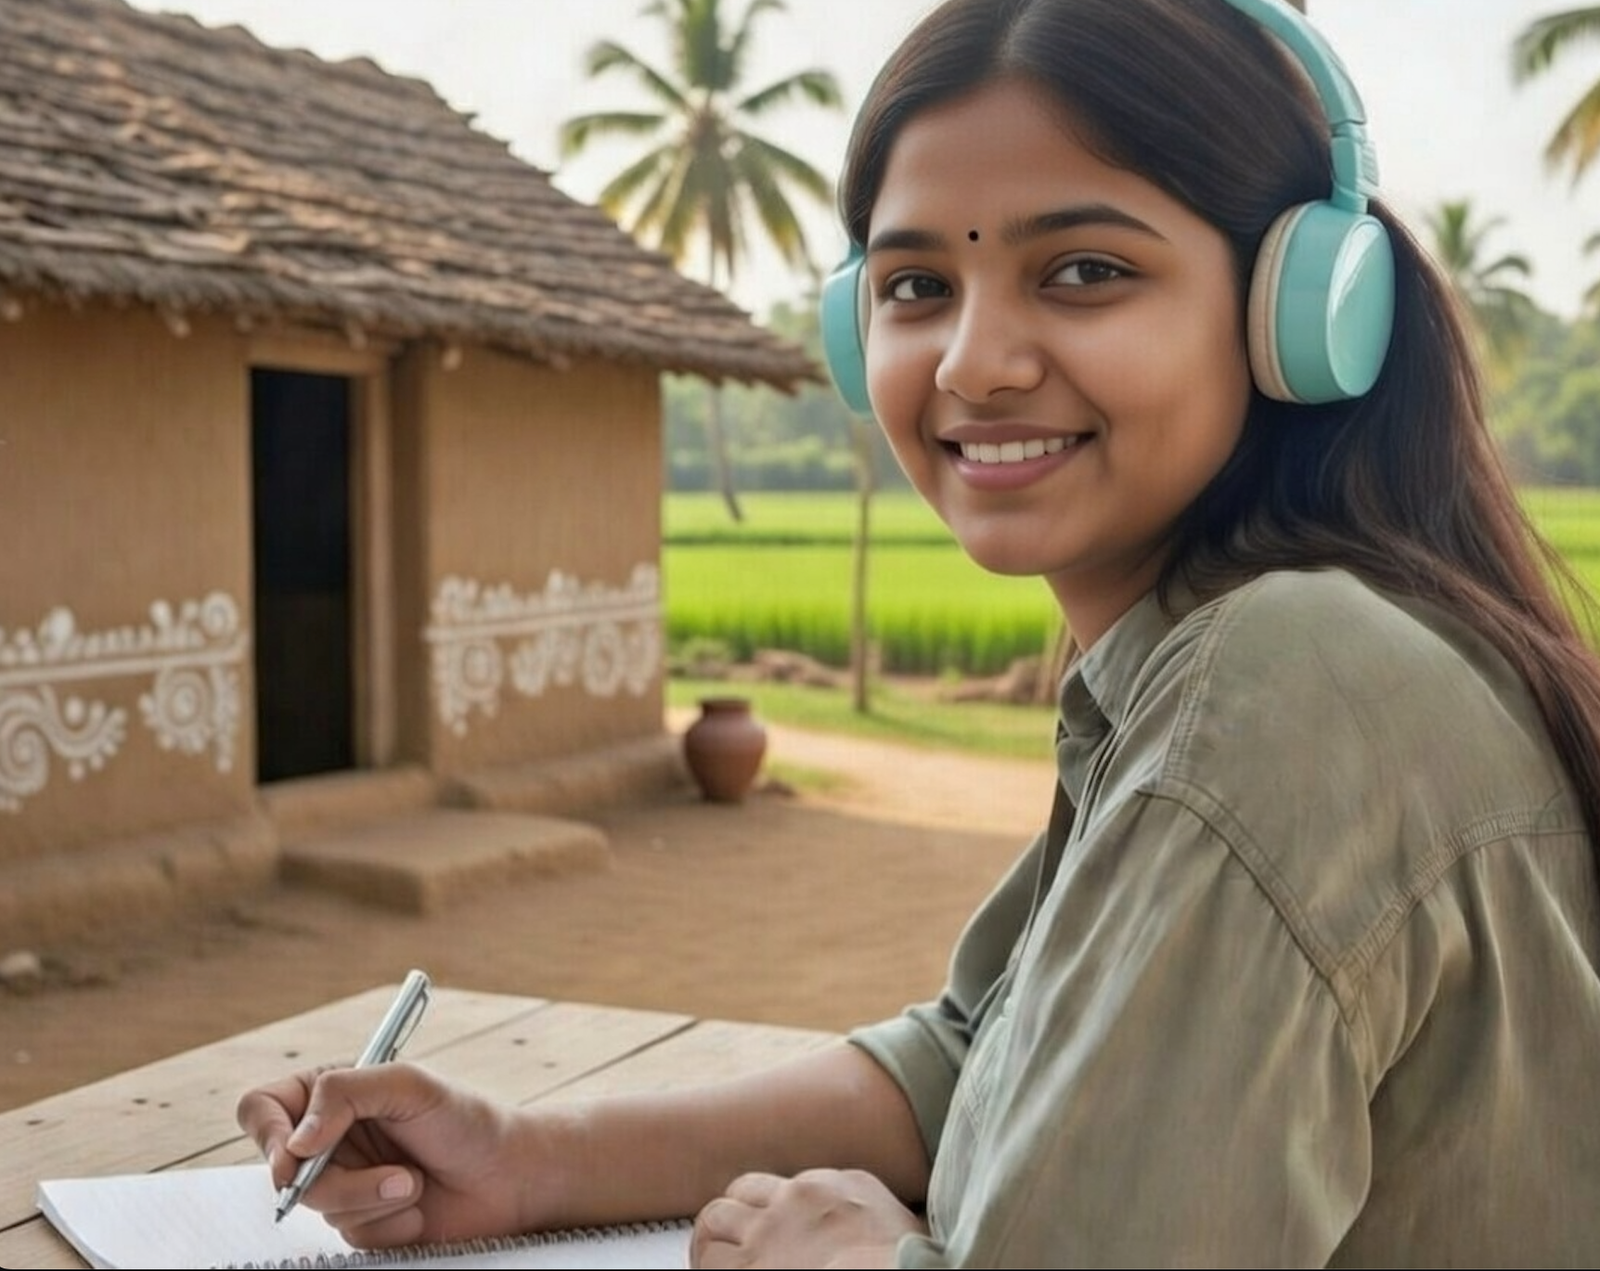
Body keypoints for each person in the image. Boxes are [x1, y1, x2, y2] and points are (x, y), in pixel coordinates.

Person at [236, 0, 1600, 1264]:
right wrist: (526, 1157)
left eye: (1081, 269)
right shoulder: (1219, 653)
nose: (970, 361)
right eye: (914, 287)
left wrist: (846, 1256)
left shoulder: (1290, 686)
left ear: (1298, 313)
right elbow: (973, 1052)